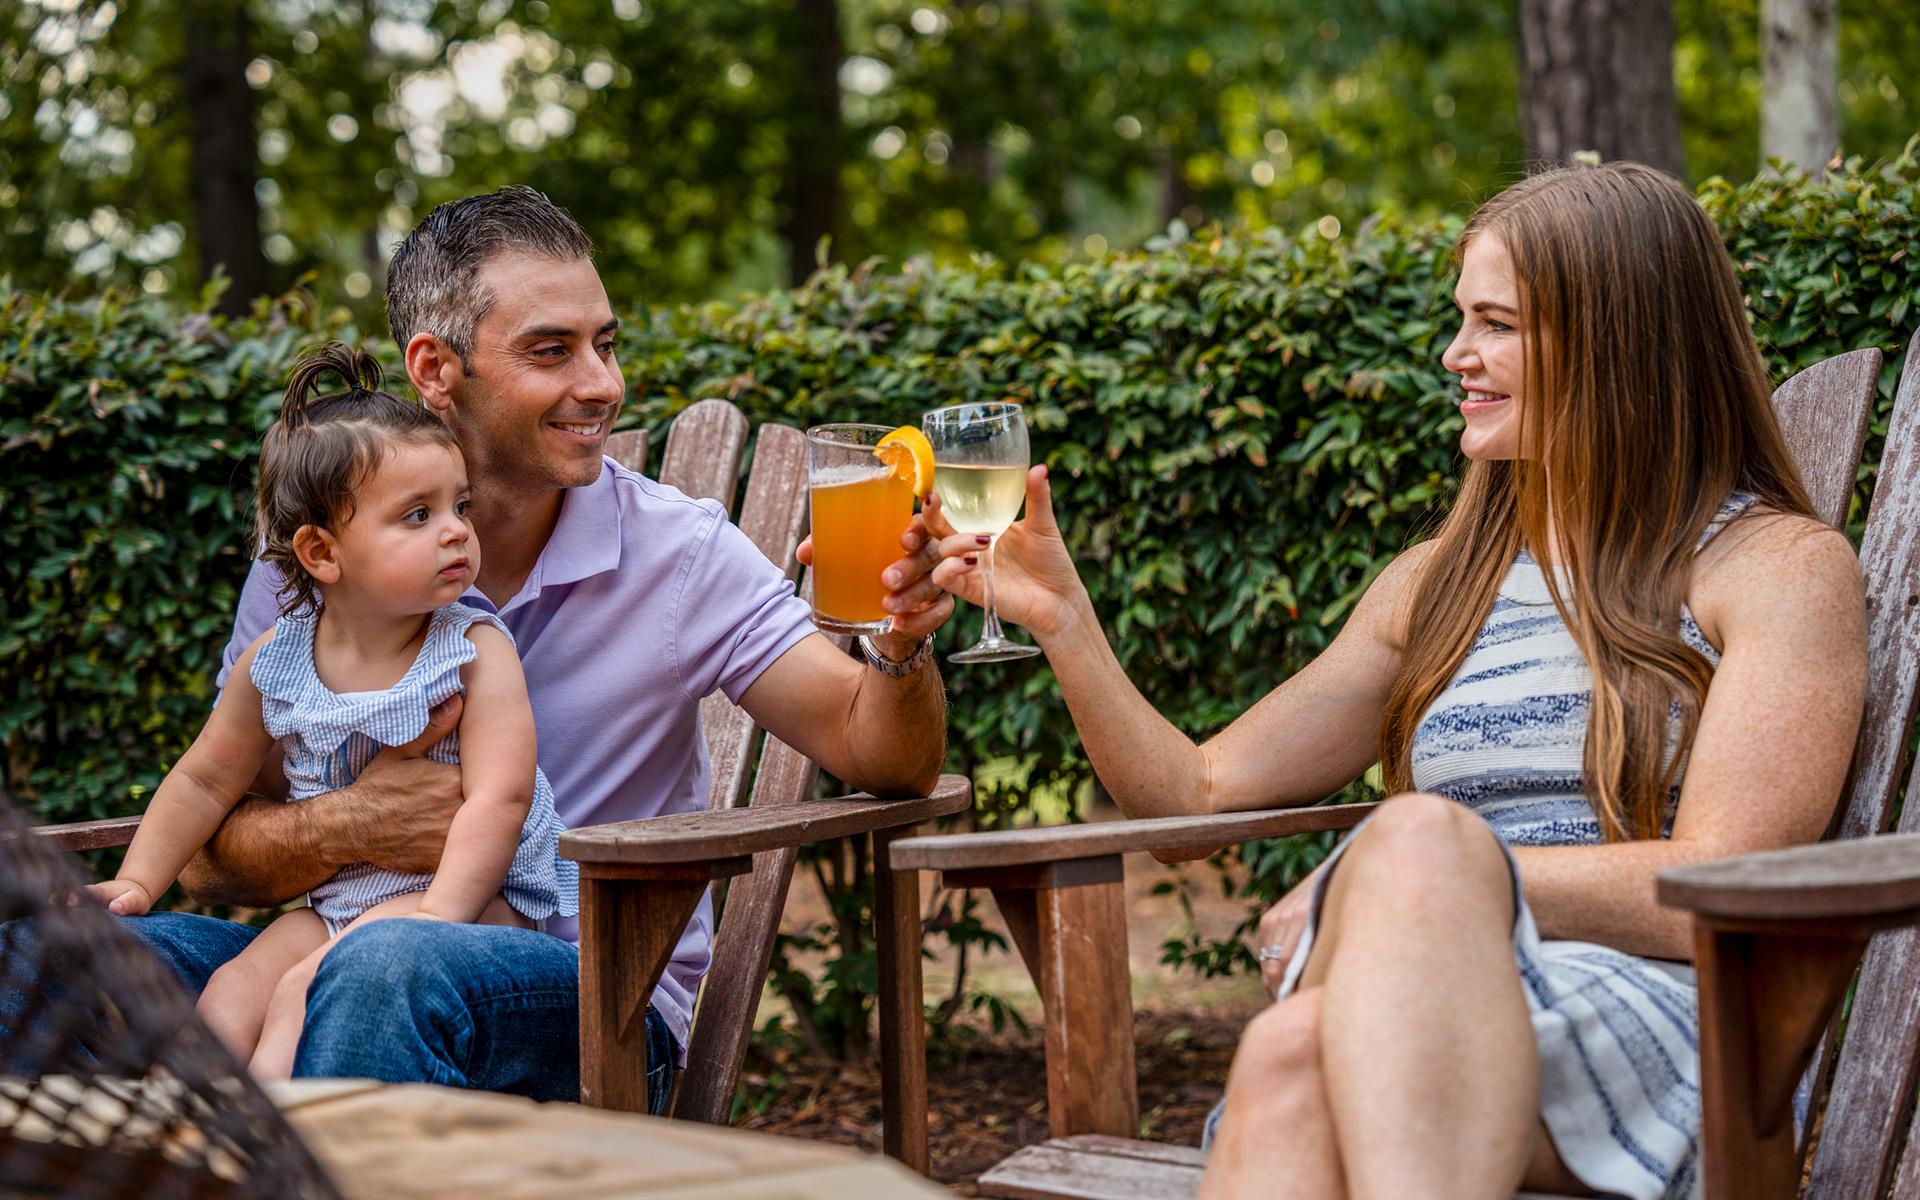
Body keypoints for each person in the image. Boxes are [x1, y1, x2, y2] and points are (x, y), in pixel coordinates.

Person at [924, 162, 1867, 1199]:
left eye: (1496, 324)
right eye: (1462, 319)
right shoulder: (1436, 586)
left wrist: (1401, 873)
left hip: (1660, 1035)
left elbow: (1722, 882)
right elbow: (1194, 795)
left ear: (1615, 344)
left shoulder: (1774, 568)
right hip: (1422, 999)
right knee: (1287, 1057)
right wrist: (1064, 622)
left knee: (1401, 864)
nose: (1456, 354)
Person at [123, 186, 953, 1113]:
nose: (602, 384)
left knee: (390, 966)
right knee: (60, 959)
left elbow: (882, 754)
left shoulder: (677, 553)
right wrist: (354, 824)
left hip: (590, 999)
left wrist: (898, 645)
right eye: (552, 350)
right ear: (435, 368)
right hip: (334, 936)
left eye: (606, 344)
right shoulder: (319, 572)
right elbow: (210, 852)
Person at [90, 344, 576, 1082]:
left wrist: (434, 924)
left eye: (460, 506)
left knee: (302, 994)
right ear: (321, 552)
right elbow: (203, 780)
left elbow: (499, 800)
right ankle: (182, 1133)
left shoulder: (473, 650)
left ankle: (274, 1142)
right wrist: (136, 883)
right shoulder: (277, 661)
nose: (456, 530)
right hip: (338, 905)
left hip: (468, 906)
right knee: (230, 995)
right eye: (418, 515)